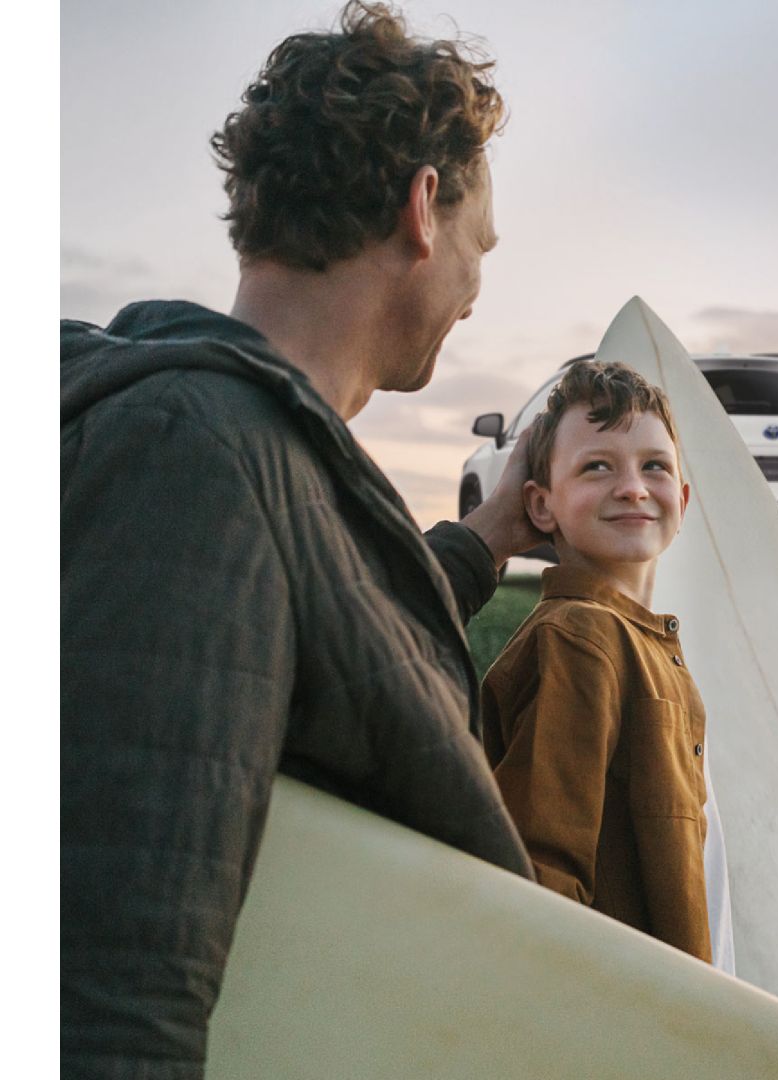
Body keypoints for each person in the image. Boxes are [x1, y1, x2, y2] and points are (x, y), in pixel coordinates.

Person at [60, 4, 539, 1077]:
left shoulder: (237, 449)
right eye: (480, 246)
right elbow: (107, 992)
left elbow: (325, 631)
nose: (475, 288)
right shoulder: (190, 455)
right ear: (425, 208)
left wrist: (484, 537)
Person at [481, 361, 729, 965]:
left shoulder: (641, 642)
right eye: (597, 466)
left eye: (655, 466)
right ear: (541, 506)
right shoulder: (579, 638)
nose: (633, 488)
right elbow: (545, 882)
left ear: (684, 499)